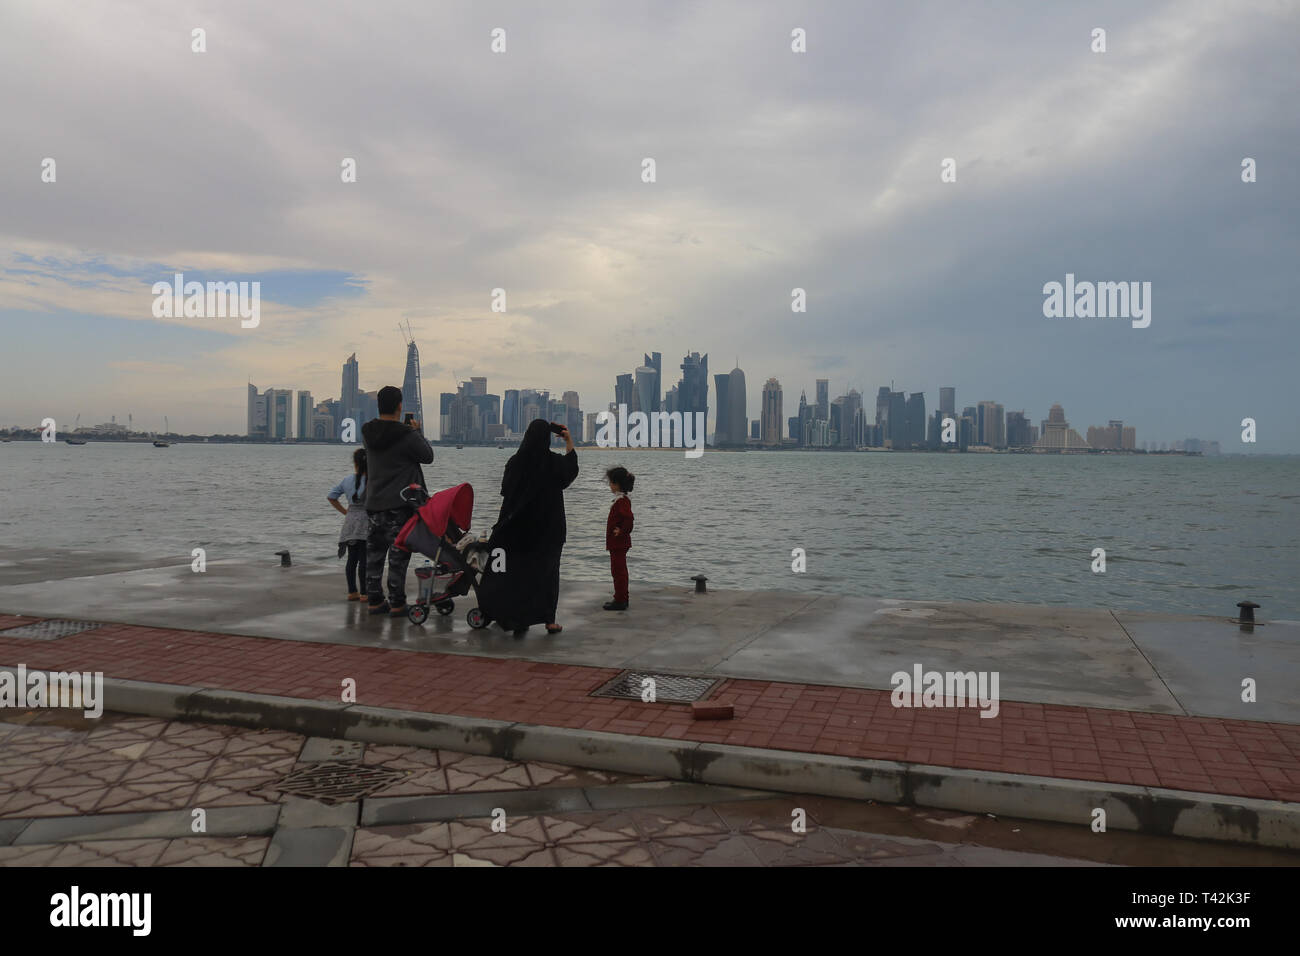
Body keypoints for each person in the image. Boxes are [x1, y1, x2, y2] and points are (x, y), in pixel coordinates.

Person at [486, 419, 577, 634]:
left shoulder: (515, 462)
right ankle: (549, 620)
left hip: (519, 529)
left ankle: (518, 618)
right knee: (548, 573)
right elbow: (570, 472)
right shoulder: (554, 462)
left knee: (518, 574)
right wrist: (569, 441)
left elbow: (506, 491)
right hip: (549, 529)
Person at [361, 385, 434, 616]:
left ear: (378, 405)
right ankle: (397, 603)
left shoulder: (367, 432)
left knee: (373, 555)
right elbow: (428, 457)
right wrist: (417, 432)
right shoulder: (407, 435)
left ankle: (374, 601)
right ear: (400, 406)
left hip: (373, 503)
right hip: (399, 505)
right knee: (398, 556)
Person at [327, 448, 369, 600]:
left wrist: (346, 512)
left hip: (350, 521)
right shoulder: (373, 480)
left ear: (355, 463)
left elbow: (331, 497)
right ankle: (365, 593)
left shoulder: (347, 480)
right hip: (367, 522)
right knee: (365, 559)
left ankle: (352, 592)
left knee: (352, 559)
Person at [603, 466, 635, 610]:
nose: (609, 485)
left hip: (618, 543)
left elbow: (629, 519)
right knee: (618, 570)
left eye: (610, 482)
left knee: (618, 571)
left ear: (616, 484)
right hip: (617, 543)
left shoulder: (622, 501)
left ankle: (621, 600)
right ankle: (621, 598)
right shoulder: (621, 500)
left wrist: (621, 531)